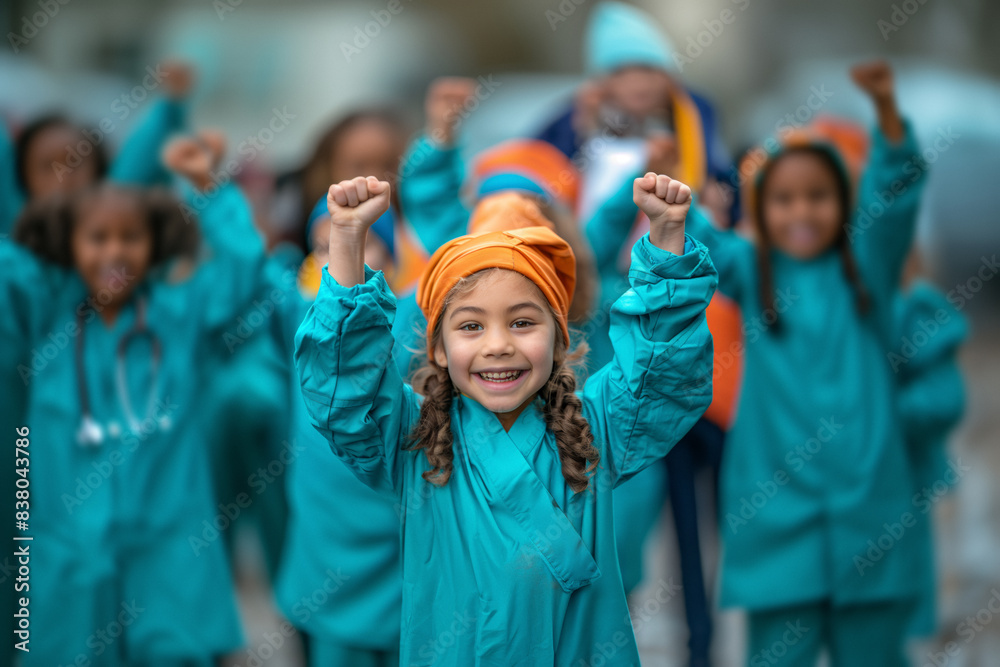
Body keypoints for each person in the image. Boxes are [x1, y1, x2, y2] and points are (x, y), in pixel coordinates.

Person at [295, 171, 716, 665]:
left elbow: (664, 372)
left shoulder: (597, 425)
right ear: (438, 347)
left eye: (522, 322)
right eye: (471, 325)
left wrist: (666, 237)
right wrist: (347, 239)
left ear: (560, 338)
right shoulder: (415, 440)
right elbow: (345, 388)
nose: (498, 345)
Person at [690, 61, 928, 666]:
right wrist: (674, 195)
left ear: (844, 202)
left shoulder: (865, 270)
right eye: (783, 199)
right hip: (777, 514)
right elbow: (697, 243)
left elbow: (895, 194)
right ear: (760, 209)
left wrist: (886, 113)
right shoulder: (752, 271)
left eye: (818, 197)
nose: (801, 213)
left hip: (869, 507)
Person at [2, 136, 257, 666]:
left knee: (171, 652)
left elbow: (241, 267)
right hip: (68, 543)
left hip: (168, 545)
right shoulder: (45, 315)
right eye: (96, 238)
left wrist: (209, 187)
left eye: (130, 238)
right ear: (69, 245)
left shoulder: (179, 315)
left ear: (155, 244)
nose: (114, 252)